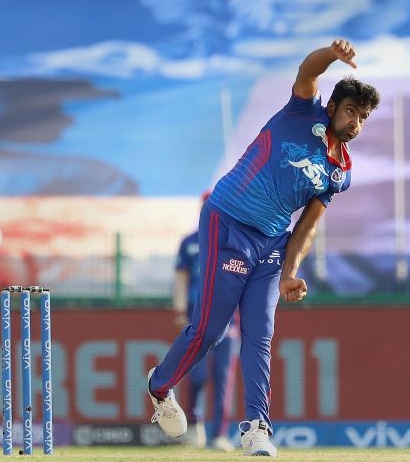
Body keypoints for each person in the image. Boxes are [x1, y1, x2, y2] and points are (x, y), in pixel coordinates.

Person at [146, 38, 380, 457]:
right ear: (332, 108)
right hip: (228, 220)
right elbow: (308, 72)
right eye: (350, 111)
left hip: (272, 243)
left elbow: (307, 225)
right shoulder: (301, 112)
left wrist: (291, 272)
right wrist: (332, 54)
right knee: (210, 331)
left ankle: (256, 428)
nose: (356, 123)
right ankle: (160, 387)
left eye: (363, 117)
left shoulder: (340, 171)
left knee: (260, 334)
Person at [172, 192, 238, 452]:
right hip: (195, 314)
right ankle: (195, 425)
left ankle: (220, 433)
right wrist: (179, 312)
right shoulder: (190, 241)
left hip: (227, 317)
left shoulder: (233, 240)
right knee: (196, 373)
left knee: (223, 376)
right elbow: (180, 278)